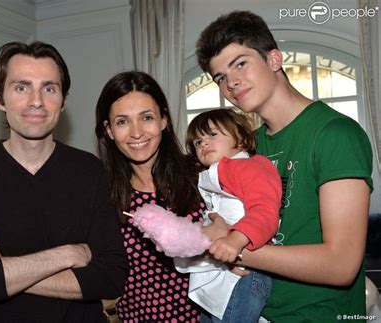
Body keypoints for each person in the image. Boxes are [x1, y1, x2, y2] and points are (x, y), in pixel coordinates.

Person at [196, 11, 373, 322]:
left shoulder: (334, 134)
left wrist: (235, 247)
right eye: (220, 77)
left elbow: (342, 265)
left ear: (274, 59)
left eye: (240, 63)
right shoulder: (248, 146)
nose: (231, 83)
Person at [0, 41, 128, 322]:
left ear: (63, 101)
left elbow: (110, 277)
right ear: (0, 99)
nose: (36, 100)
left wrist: (0, 266)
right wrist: (67, 254)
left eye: (49, 88)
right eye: (21, 87)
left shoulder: (90, 171)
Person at [95, 71, 204, 322]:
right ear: (109, 130)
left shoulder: (202, 176)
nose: (136, 132)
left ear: (164, 119)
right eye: (122, 122)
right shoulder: (103, 195)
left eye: (146, 117)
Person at [177, 108, 281, 322]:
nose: (203, 143)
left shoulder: (252, 166)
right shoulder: (216, 173)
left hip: (246, 271)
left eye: (212, 135)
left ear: (241, 138)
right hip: (220, 270)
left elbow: (265, 210)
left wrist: (236, 239)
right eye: (197, 142)